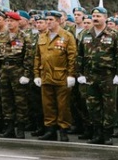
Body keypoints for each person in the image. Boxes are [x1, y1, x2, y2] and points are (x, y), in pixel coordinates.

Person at [77, 7, 118, 145]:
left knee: (109, 106)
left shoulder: (114, 34)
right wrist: (79, 73)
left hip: (108, 76)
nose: (95, 18)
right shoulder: (86, 34)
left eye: (98, 15)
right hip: (90, 76)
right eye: (93, 15)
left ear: (105, 17)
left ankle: (107, 135)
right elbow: (80, 55)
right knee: (92, 106)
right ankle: (97, 133)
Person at [33, 11, 77, 142]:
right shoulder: (42, 37)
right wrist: (36, 74)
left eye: (51, 19)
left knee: (63, 105)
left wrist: (71, 75)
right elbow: (37, 57)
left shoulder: (67, 36)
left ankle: (63, 130)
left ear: (58, 21)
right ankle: (50, 130)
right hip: (45, 75)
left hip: (61, 75)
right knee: (47, 105)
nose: (48, 22)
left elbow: (72, 57)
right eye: (47, 19)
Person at [0, 11, 34, 139]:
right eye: (8, 21)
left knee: (20, 101)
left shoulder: (24, 37)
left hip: (18, 70)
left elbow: (29, 57)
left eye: (12, 21)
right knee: (6, 100)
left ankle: (20, 128)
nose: (9, 23)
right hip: (4, 70)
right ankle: (9, 128)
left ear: (17, 22)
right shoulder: (1, 36)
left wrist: (26, 74)